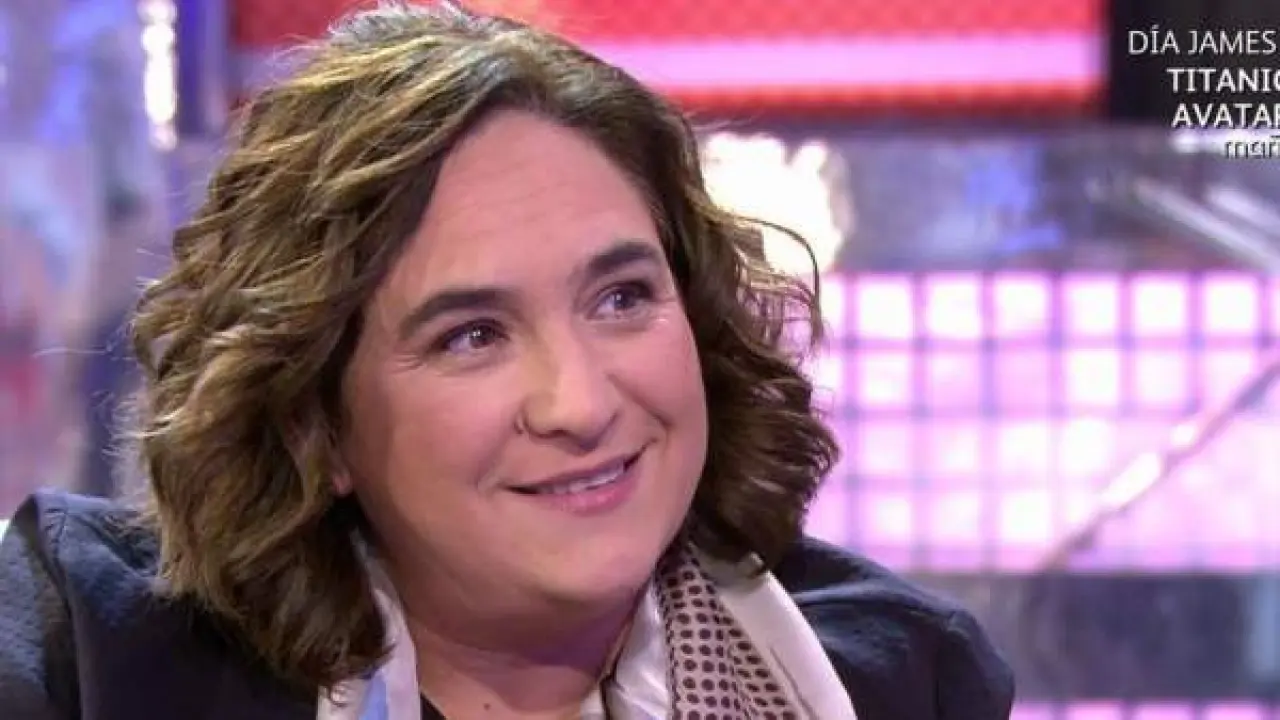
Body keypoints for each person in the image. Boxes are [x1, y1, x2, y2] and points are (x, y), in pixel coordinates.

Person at [0, 3, 1015, 718]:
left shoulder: (901, 681)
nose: (580, 403)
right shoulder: (92, 656)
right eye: (471, 336)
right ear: (315, 421)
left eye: (622, 298)